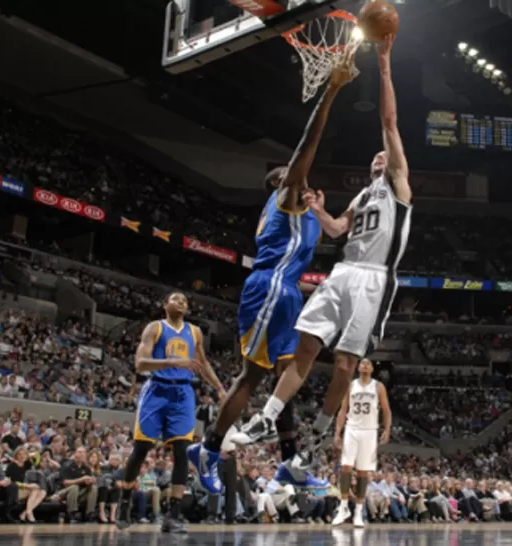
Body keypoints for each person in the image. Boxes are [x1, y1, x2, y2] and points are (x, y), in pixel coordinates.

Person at [236, 34, 412, 478]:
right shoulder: (362, 194)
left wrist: (385, 63)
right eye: (375, 155)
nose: (379, 156)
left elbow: (389, 123)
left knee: (347, 364)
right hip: (343, 270)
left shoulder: (399, 188)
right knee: (306, 344)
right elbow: (335, 230)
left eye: (383, 155)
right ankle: (268, 416)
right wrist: (316, 209)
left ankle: (315, 439)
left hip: (375, 277)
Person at [189, 53, 357, 494]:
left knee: (288, 376)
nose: (295, 174)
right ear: (279, 184)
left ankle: (287, 465)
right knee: (253, 376)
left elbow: (339, 229)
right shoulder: (284, 199)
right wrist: (332, 90)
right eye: (287, 175)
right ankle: (206, 450)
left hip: (288, 295)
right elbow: (306, 148)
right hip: (268, 291)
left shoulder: (306, 217)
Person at [116, 292, 226, 534]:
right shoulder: (154, 328)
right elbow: (140, 363)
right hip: (156, 390)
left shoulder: (195, 332)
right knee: (142, 448)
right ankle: (124, 501)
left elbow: (202, 364)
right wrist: (174, 362)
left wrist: (219, 388)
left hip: (183, 394)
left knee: (182, 452)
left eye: (185, 301)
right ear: (165, 305)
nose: (182, 303)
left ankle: (172, 515)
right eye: (176, 299)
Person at [331, 359, 392, 526]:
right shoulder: (351, 385)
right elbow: (343, 410)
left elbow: (386, 410)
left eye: (368, 364)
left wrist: (387, 430)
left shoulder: (378, 387)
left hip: (370, 430)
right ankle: (343, 507)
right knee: (345, 466)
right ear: (358, 367)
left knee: (363, 472)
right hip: (352, 428)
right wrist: (337, 432)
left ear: (372, 369)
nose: (365, 365)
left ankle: (358, 511)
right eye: (362, 363)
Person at [6, 446, 46, 523]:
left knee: (43, 492)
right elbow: (12, 482)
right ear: (16, 455)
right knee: (35, 489)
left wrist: (29, 455)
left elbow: (37, 456)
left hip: (25, 489)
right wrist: (28, 486)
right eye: (19, 454)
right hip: (15, 490)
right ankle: (29, 513)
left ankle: (25, 513)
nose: (22, 456)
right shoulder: (12, 465)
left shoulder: (27, 464)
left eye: (24, 454)